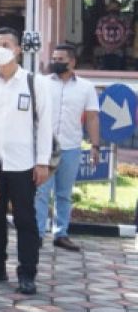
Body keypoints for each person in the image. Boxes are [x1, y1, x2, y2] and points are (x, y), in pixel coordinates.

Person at [0, 27, 52, 295]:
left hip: (22, 164)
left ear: (18, 49)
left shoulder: (34, 83)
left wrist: (42, 162)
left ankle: (27, 274)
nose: (0, 48)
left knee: (25, 220)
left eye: (6, 43)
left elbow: (45, 126)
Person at [37, 44, 101, 252]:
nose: (55, 62)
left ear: (72, 62)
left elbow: (92, 118)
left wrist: (95, 146)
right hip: (45, 148)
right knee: (40, 192)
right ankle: (37, 234)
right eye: (54, 58)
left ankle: (60, 234)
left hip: (71, 147)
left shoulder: (86, 87)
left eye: (60, 58)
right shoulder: (41, 83)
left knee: (64, 194)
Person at [94, 0, 129, 70]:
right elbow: (99, 35)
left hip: (119, 52)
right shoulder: (102, 20)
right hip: (105, 52)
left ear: (119, 8)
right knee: (106, 72)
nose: (113, 9)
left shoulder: (124, 20)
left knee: (119, 73)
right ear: (108, 9)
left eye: (115, 7)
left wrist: (115, 47)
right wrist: (107, 46)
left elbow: (126, 35)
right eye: (111, 7)